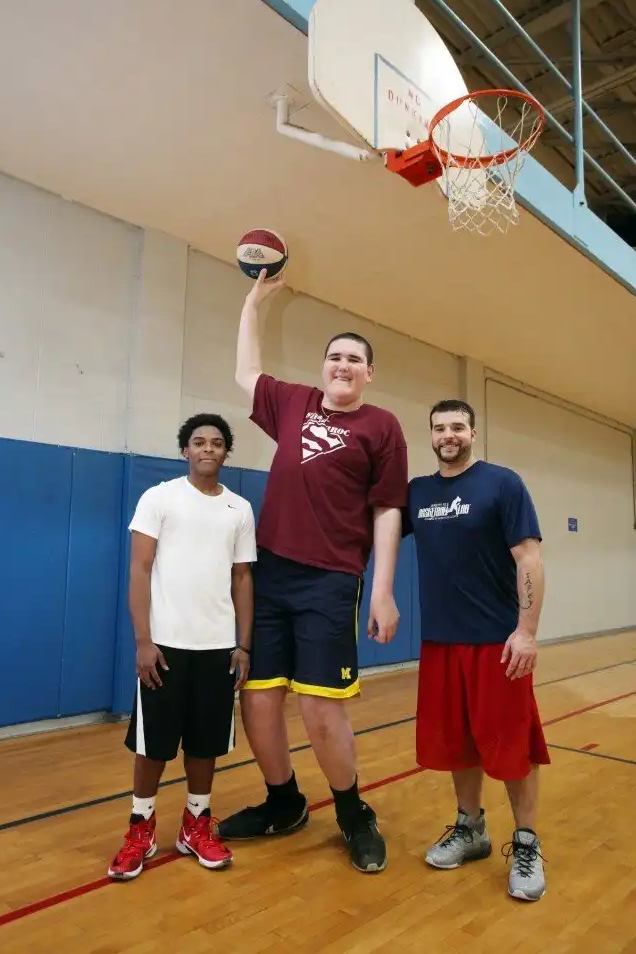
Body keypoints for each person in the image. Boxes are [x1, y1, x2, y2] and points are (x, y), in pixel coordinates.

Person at [217, 270, 408, 874]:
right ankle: (285, 802)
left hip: (331, 579)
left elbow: (387, 510)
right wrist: (253, 303)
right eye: (335, 356)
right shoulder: (293, 402)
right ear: (323, 367)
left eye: (354, 359)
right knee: (258, 699)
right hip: (270, 574)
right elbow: (246, 371)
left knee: (321, 708)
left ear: (368, 373)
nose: (342, 365)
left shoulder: (382, 427)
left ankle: (353, 813)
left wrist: (382, 591)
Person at [404, 398, 549, 901]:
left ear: (472, 432)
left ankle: (526, 843)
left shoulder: (502, 483)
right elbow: (374, 527)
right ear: (430, 434)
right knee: (458, 742)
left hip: (496, 643)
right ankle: (471, 829)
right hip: (441, 641)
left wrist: (526, 631)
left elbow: (529, 559)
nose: (448, 435)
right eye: (439, 427)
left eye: (458, 427)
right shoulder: (417, 493)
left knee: (511, 747)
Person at [108, 413, 257, 880]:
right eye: (199, 441)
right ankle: (141, 828)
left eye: (216, 442)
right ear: (185, 450)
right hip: (165, 647)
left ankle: (195, 825)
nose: (208, 448)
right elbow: (140, 569)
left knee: (205, 742)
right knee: (153, 745)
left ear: (226, 452)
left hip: (218, 649)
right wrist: (143, 641)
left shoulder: (239, 509)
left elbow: (242, 577)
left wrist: (243, 645)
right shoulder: (159, 498)